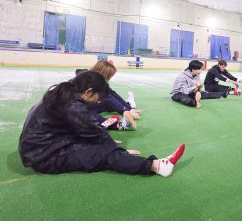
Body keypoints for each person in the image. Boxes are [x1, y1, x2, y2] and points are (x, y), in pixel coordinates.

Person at [18, 70, 185, 177]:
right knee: (106, 155)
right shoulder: (73, 105)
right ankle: (157, 166)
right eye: (98, 97)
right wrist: (118, 151)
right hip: (45, 157)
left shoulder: (63, 92)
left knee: (101, 145)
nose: (98, 101)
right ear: (88, 91)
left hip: (41, 146)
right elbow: (98, 135)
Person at [83, 61, 141, 131]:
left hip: (90, 106)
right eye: (108, 77)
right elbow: (108, 98)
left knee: (106, 104)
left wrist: (128, 109)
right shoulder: (87, 81)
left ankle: (129, 104)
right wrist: (124, 110)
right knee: (88, 115)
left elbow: (112, 94)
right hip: (81, 108)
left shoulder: (97, 80)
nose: (108, 79)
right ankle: (118, 125)